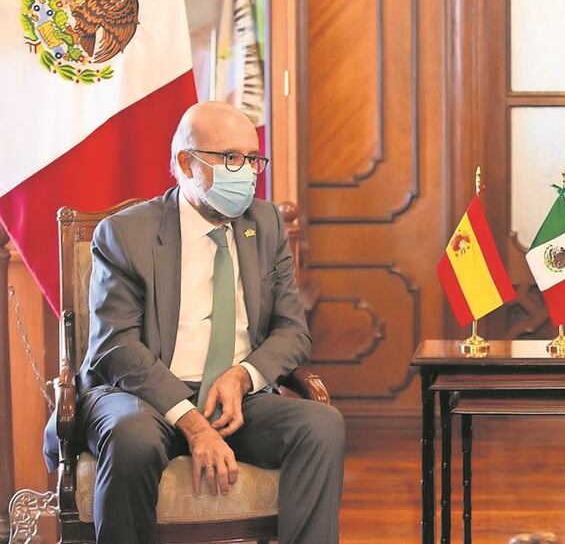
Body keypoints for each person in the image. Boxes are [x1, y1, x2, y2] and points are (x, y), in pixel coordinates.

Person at [44, 101, 344, 543]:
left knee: (322, 426)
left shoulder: (265, 225)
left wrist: (243, 377)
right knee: (132, 438)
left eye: (253, 159)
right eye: (230, 158)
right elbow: (116, 347)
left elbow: (292, 331)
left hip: (235, 400)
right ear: (186, 162)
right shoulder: (127, 234)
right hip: (142, 395)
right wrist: (192, 423)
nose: (246, 172)